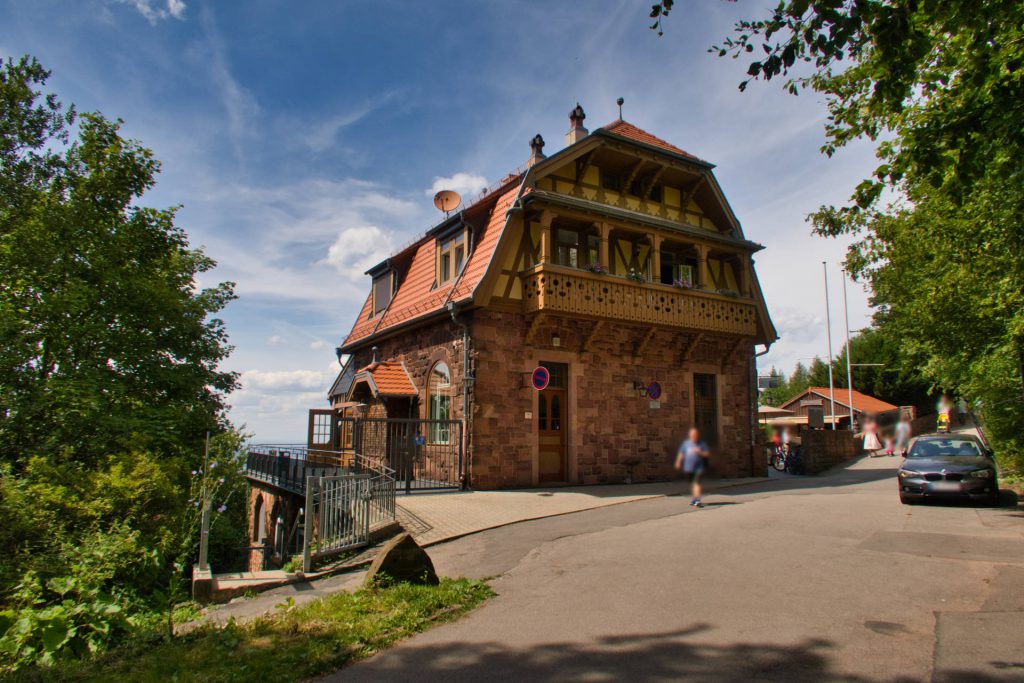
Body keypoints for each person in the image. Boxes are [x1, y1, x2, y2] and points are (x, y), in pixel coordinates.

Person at [676, 427, 710, 508]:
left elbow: (707, 454)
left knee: (697, 483)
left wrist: (700, 452)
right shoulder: (686, 443)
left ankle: (697, 500)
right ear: (690, 435)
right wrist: (678, 462)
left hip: (699, 467)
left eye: (695, 434)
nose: (693, 436)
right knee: (692, 484)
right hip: (688, 468)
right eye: (692, 434)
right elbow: (681, 453)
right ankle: (694, 499)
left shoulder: (701, 443)